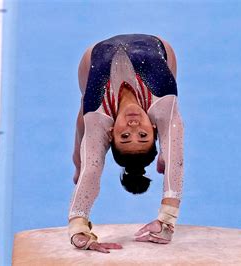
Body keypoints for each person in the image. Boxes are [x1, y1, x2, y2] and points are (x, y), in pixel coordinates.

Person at [68, 34, 184, 253]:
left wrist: (78, 228)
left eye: (125, 137)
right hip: (161, 49)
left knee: (86, 127)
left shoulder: (100, 117)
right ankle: (165, 145)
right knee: (173, 130)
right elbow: (177, 161)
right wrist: (167, 220)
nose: (133, 126)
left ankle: (77, 162)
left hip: (94, 56)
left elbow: (93, 170)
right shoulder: (162, 103)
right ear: (153, 128)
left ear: (111, 133)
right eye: (142, 135)